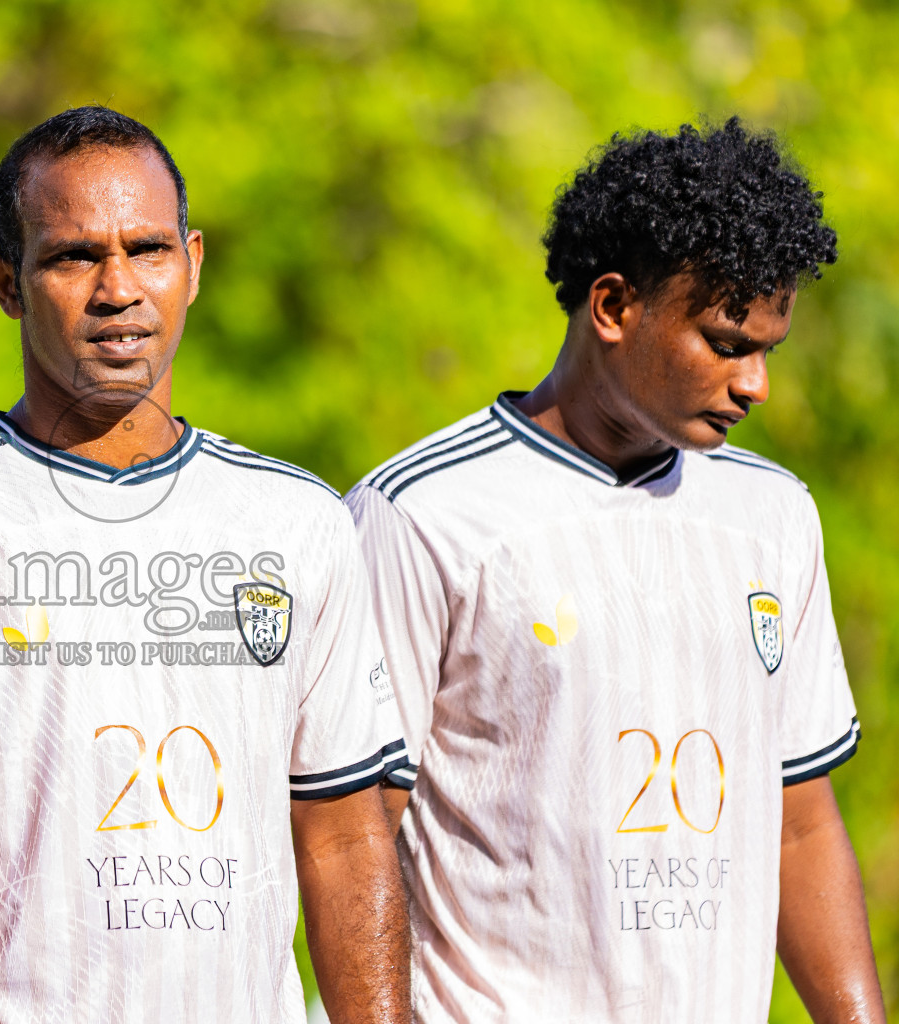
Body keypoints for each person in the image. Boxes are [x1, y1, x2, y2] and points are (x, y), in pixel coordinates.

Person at [0, 106, 410, 1023]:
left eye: (148, 249)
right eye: (72, 257)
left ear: (195, 265)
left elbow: (343, 836)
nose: (118, 289)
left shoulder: (300, 522)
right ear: (6, 283)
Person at [348, 119, 884, 1022]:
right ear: (612, 307)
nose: (756, 385)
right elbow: (352, 827)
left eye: (768, 351)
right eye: (725, 342)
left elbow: (799, 822)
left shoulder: (772, 513)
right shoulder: (422, 513)